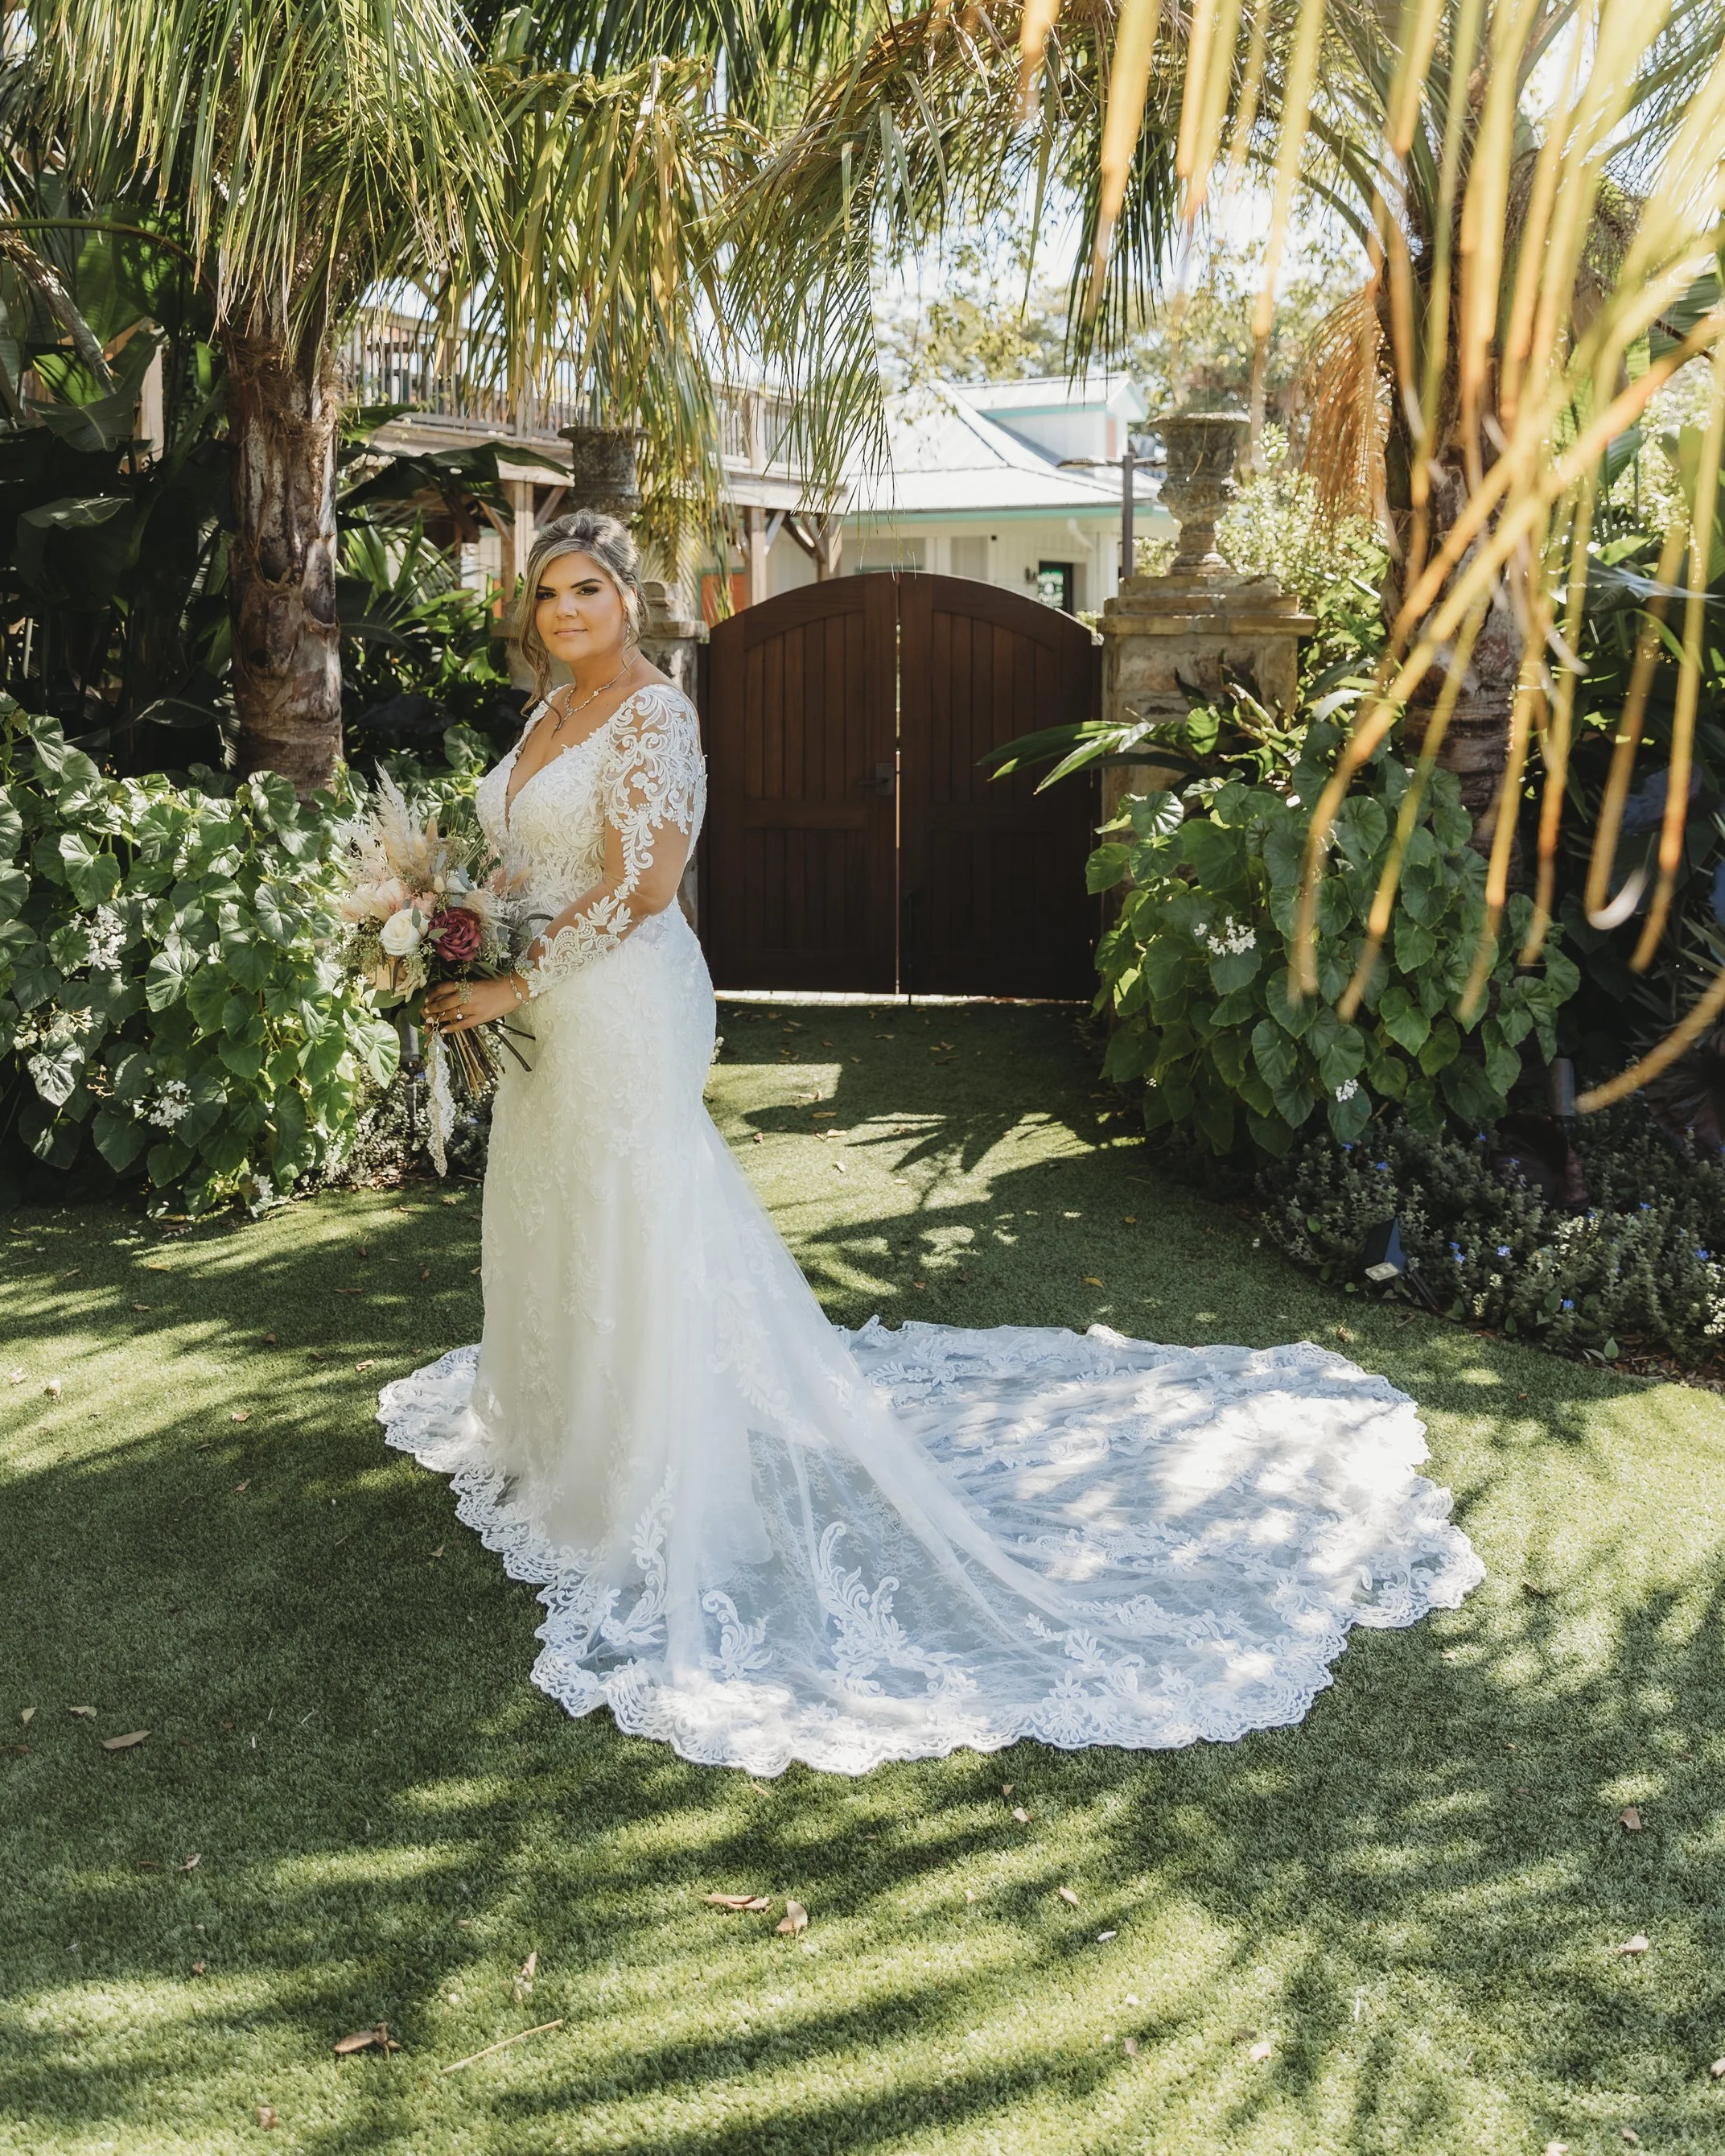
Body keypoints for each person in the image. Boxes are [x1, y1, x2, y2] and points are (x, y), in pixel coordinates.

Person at [379, 511, 1480, 1776]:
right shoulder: (544, 710)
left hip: (617, 1003)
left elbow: (642, 885)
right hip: (539, 1014)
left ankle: (647, 1472)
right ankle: (559, 1427)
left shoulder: (653, 716)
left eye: (587, 588)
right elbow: (515, 857)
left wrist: (510, 981)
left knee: (635, 1214)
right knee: (555, 1200)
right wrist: (453, 923)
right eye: (547, 593)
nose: (566, 609)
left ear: (631, 598)